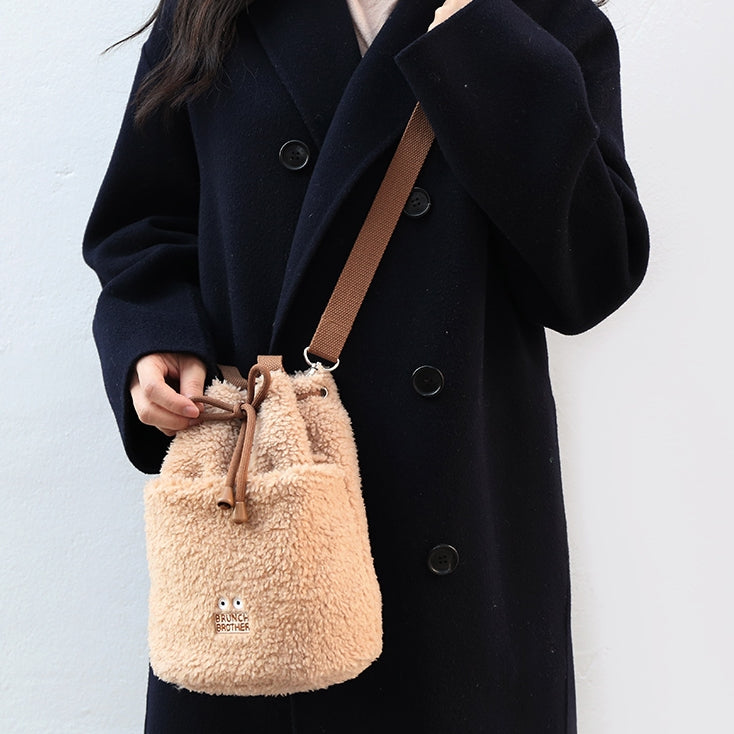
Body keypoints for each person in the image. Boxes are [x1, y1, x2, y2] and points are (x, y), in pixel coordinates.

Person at [83, 0, 649, 731]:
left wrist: (481, 36)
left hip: (456, 525)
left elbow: (591, 275)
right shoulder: (214, 12)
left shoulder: (536, 16)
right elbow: (143, 223)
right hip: (263, 515)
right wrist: (155, 338)